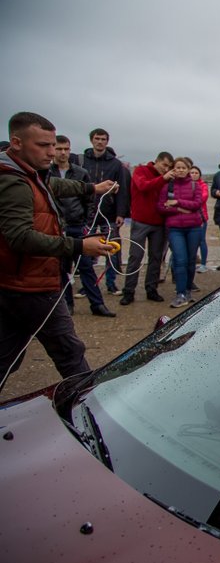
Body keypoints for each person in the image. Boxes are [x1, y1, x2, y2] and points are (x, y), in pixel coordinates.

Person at [0, 112, 118, 390]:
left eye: (53, 145)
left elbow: (53, 185)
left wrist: (92, 188)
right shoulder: (13, 181)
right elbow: (20, 238)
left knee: (5, 357)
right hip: (32, 286)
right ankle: (90, 404)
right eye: (43, 145)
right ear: (16, 142)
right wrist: (79, 246)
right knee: (70, 353)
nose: (52, 152)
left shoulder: (27, 173)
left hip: (15, 283)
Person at [49, 135, 114, 317]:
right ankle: (67, 304)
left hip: (77, 225)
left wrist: (86, 221)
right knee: (62, 269)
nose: (63, 153)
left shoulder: (80, 172)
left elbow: (89, 200)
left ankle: (97, 304)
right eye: (59, 148)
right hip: (57, 227)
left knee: (86, 267)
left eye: (66, 149)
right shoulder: (46, 173)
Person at [80, 127, 131, 295]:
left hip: (108, 213)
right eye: (97, 138)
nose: (100, 142)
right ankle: (87, 285)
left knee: (111, 249)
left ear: (107, 142)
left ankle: (111, 283)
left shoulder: (115, 164)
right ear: (92, 140)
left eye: (103, 139)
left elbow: (122, 190)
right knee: (86, 249)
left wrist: (121, 213)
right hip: (87, 213)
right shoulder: (82, 161)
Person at [121, 151, 174, 305]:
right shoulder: (141, 171)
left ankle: (151, 289)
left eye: (168, 167)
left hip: (159, 222)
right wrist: (163, 178)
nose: (165, 169)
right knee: (135, 257)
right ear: (156, 161)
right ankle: (128, 291)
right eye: (164, 165)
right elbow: (144, 186)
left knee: (156, 258)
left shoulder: (167, 179)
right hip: (141, 221)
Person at [157, 158, 205, 308]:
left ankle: (188, 290)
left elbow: (197, 204)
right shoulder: (167, 187)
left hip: (193, 227)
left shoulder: (195, 186)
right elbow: (161, 207)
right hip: (175, 228)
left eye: (183, 167)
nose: (180, 170)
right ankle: (180, 293)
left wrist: (177, 202)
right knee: (180, 259)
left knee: (191, 260)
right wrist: (180, 210)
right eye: (177, 167)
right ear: (173, 169)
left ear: (188, 169)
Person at [189, 165, 210, 273]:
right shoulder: (185, 185)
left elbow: (202, 198)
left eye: (196, 173)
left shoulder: (203, 185)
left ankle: (203, 264)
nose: (194, 175)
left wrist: (188, 202)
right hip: (189, 217)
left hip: (201, 217)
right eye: (192, 172)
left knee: (201, 240)